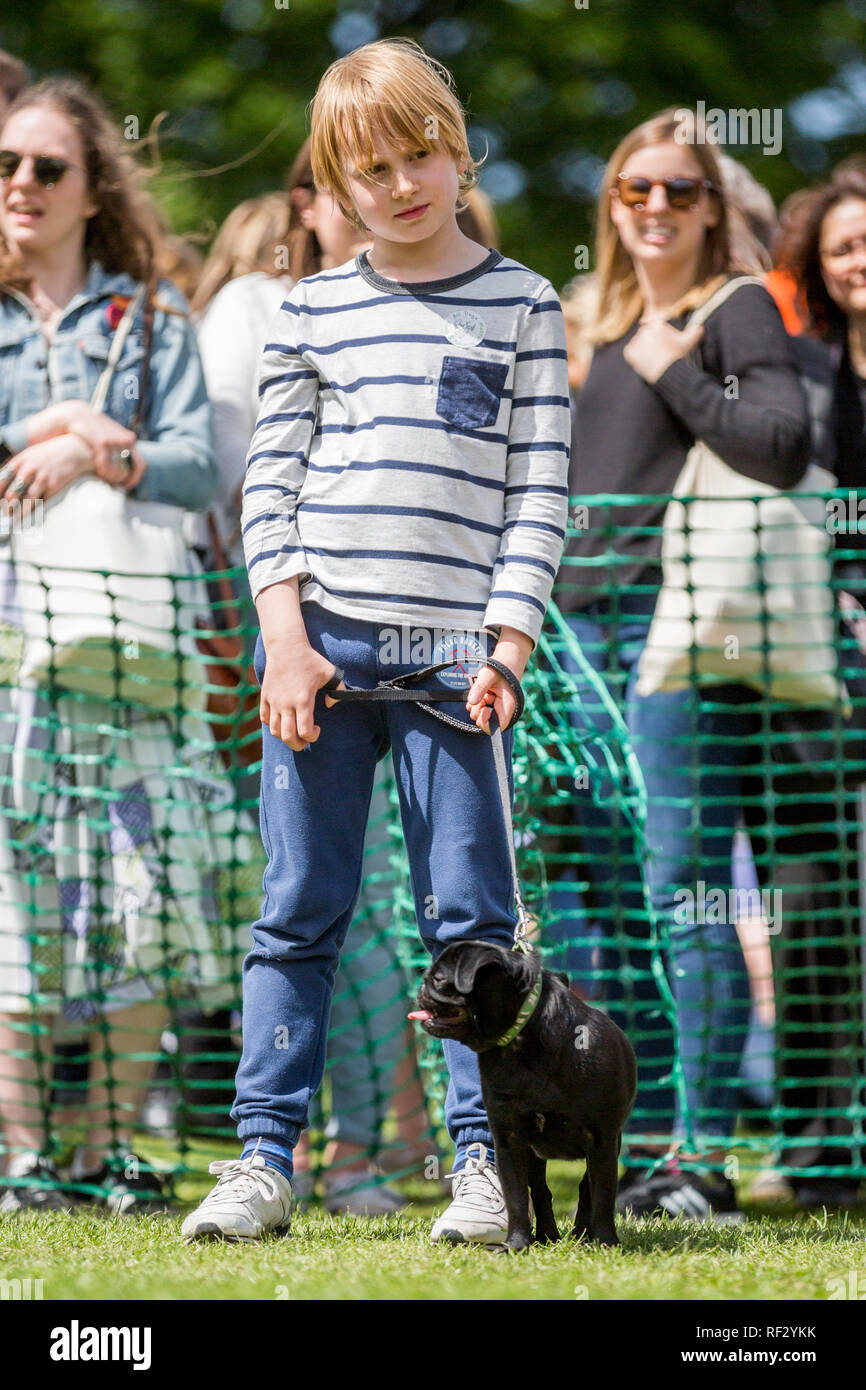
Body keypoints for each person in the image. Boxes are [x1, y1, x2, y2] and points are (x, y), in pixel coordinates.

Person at [182, 36, 570, 1245]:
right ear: (333, 187)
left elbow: (537, 492)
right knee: (300, 906)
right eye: (370, 170)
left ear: (458, 152)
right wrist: (286, 641)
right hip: (321, 651)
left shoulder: (527, 304)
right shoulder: (306, 310)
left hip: (460, 661)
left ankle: (478, 1163)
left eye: (421, 155)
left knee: (468, 920)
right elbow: (271, 488)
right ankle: (262, 1159)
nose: (400, 185)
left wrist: (503, 646)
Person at [556, 106, 811, 1222]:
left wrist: (673, 370)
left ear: (713, 207)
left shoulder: (731, 307)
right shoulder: (599, 322)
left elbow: (778, 442)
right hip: (575, 637)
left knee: (684, 893)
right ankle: (643, 1139)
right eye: (632, 189)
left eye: (678, 189)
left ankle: (700, 1155)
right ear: (611, 206)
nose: (653, 206)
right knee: (605, 901)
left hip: (673, 636)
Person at [193, 151, 436, 1214]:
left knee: (390, 905)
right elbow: (244, 477)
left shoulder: (447, 304)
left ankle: (371, 1152)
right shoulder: (264, 307)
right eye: (345, 176)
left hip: (416, 643)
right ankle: (284, 1149)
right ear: (309, 200)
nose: (370, 193)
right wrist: (272, 627)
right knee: (308, 901)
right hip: (290, 628)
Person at [0, 78, 218, 1213]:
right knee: (15, 903)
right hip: (7, 659)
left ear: (94, 187)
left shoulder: (151, 316)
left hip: (134, 651)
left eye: (46, 168)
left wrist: (104, 449)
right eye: (5, 167)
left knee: (138, 891)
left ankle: (107, 1151)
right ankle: (30, 1159)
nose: (21, 186)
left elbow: (200, 469)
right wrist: (45, 424)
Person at [752, 164, 866, 1209]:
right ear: (816, 268)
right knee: (813, 911)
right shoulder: (802, 374)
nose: (858, 259)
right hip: (813, 680)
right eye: (840, 247)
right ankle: (816, 1146)